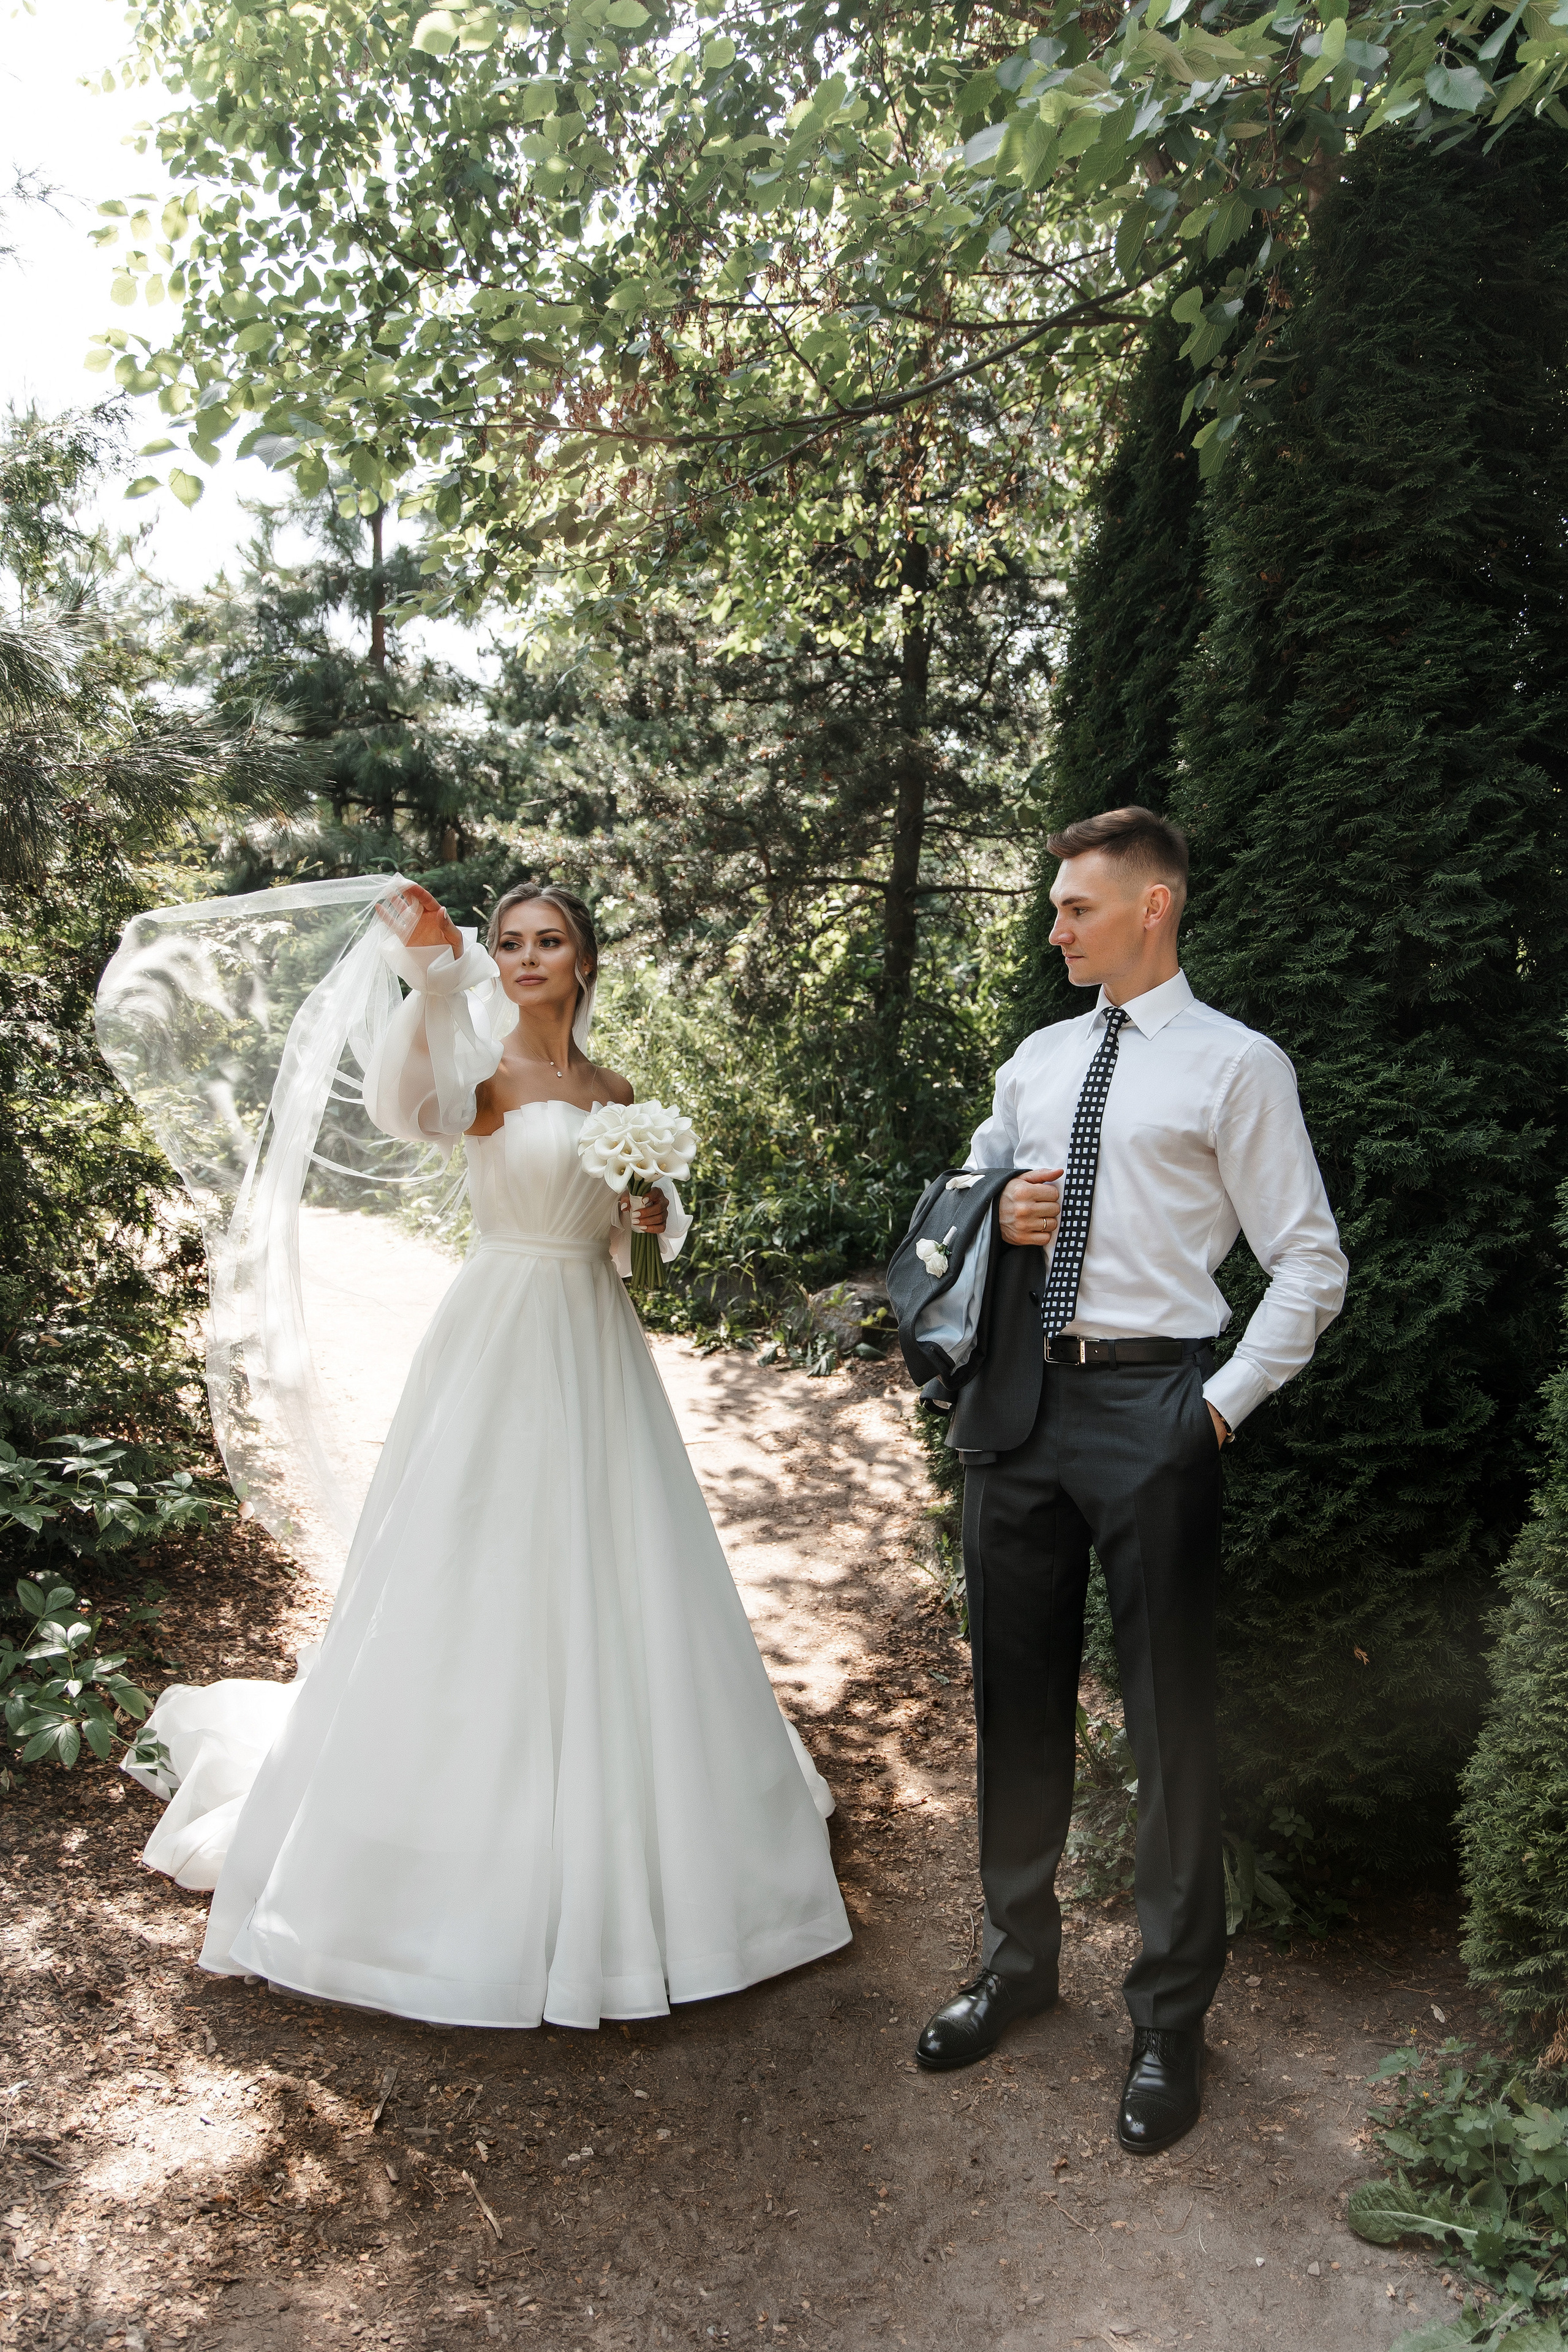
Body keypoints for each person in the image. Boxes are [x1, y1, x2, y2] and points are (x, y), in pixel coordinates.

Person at [125, 879, 850, 2029]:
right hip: (499, 1325)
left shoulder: (615, 1092)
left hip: (594, 1336)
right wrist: (431, 981)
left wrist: (646, 1217)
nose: (525, 958)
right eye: (509, 943)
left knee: (614, 1556)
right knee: (478, 1551)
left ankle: (636, 1819)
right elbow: (406, 1107)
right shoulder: (485, 1077)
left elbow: (623, 1243)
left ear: (583, 959)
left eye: (547, 941)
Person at [910, 807, 1347, 2153]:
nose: (1054, 929)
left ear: (1152, 906)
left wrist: (1211, 1411)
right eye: (1055, 907)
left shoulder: (1236, 1065)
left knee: (1168, 1723)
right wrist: (996, 1210)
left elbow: (1309, 1262)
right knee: (1014, 1700)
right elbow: (957, 1215)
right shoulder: (1035, 1061)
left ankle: (1168, 2020)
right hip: (1017, 1405)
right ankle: (1015, 1966)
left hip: (1154, 1405)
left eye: (1076, 908)